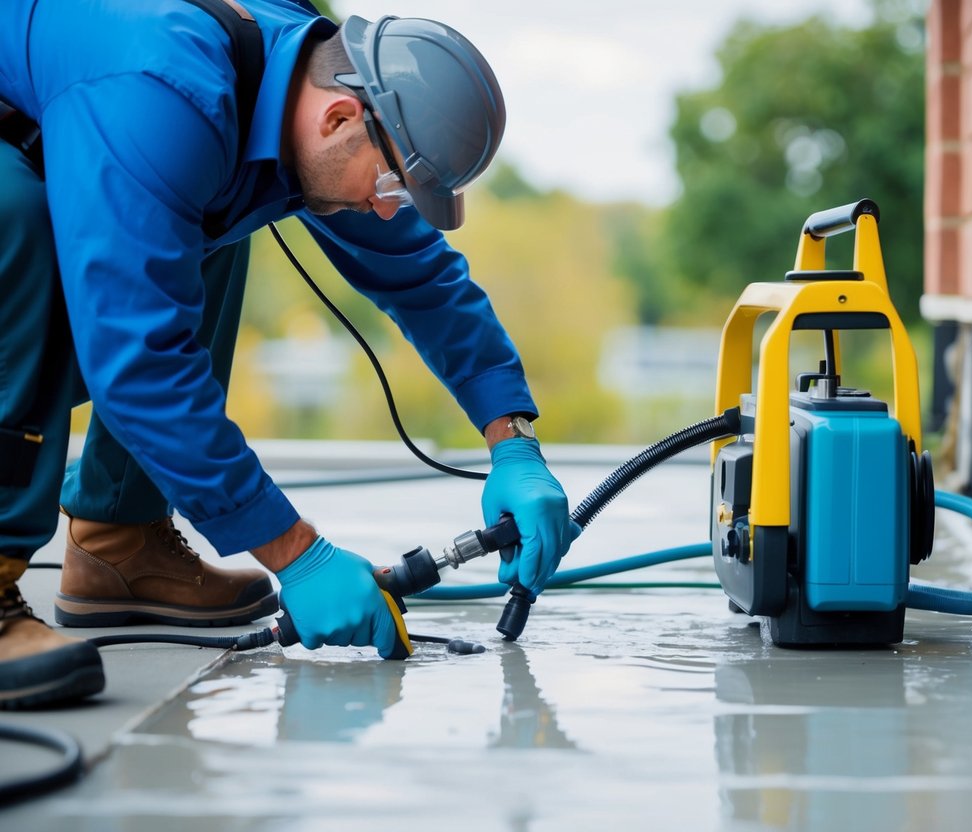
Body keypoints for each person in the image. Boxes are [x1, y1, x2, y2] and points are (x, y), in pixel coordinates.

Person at [0, 0, 580, 709]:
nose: (389, 208)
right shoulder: (164, 93)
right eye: (393, 183)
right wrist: (296, 554)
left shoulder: (301, 75)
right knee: (15, 221)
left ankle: (119, 542)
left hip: (62, 114)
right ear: (337, 119)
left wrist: (513, 442)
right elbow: (139, 365)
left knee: (205, 219)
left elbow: (422, 277)